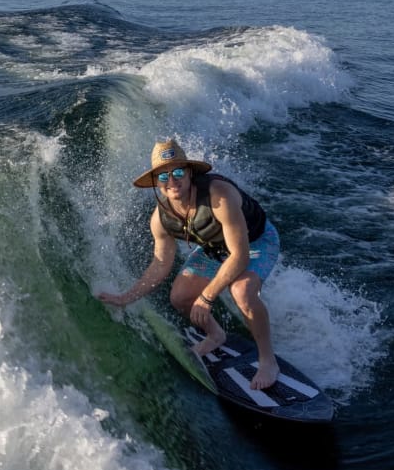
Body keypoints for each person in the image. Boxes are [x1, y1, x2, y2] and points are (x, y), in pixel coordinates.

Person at [97, 138, 282, 390]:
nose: (171, 181)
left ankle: (267, 360)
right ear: (156, 183)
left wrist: (206, 297)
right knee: (180, 297)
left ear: (189, 172)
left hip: (256, 242)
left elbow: (240, 256)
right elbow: (161, 264)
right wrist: (126, 298)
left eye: (177, 172)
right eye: (163, 176)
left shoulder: (220, 196)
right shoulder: (161, 219)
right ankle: (216, 334)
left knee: (241, 292)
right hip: (214, 248)